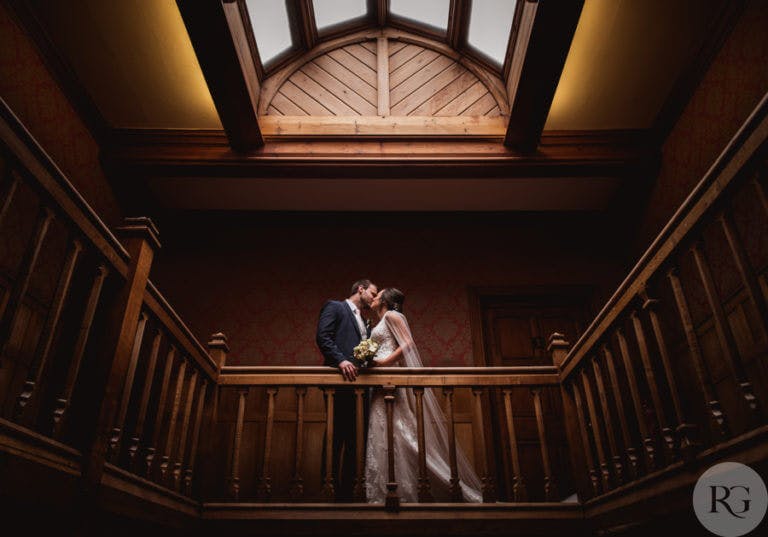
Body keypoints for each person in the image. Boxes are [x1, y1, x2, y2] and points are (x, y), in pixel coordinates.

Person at [365, 288, 482, 503]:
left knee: (398, 428)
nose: (373, 298)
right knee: (384, 430)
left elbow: (408, 344)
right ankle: (386, 490)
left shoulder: (392, 315)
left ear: (385, 300)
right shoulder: (377, 323)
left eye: (377, 294)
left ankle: (412, 487)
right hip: (378, 381)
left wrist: (383, 363)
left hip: (390, 376)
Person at [316, 278, 378, 500]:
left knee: (355, 438)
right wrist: (341, 361)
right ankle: (328, 489)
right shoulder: (335, 306)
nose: (374, 298)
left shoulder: (365, 321)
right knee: (335, 435)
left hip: (360, 388)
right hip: (338, 383)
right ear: (360, 290)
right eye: (372, 293)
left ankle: (346, 495)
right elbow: (323, 337)